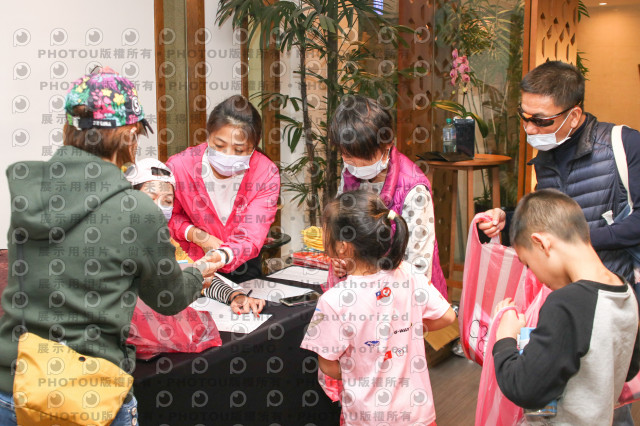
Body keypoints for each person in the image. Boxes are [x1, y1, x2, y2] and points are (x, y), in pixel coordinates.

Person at [0, 68, 223, 425]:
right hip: (85, 394)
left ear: (69, 129)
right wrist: (198, 273)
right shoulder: (136, 210)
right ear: (129, 136)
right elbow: (167, 298)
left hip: (13, 384)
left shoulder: (31, 191)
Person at [301, 190, 456, 425]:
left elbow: (328, 366)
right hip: (417, 412)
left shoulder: (333, 301)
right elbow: (447, 317)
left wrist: (360, 372)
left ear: (342, 247)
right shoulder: (408, 273)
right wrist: (407, 329)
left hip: (368, 417)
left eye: (325, 230)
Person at [480, 60, 640, 287]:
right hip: (567, 290)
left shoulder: (624, 144)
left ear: (574, 115)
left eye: (540, 120)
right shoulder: (546, 155)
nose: (530, 128)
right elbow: (551, 218)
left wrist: (576, 241)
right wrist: (509, 220)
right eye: (524, 116)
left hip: (616, 287)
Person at [493, 189, 640, 425]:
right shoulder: (626, 293)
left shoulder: (566, 304)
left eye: (528, 263)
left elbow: (524, 388)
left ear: (541, 243)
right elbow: (629, 368)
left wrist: (505, 338)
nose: (536, 277)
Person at [326, 95, 447, 299]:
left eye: (363, 158)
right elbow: (341, 230)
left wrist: (376, 289)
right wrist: (342, 260)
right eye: (347, 156)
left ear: (387, 145)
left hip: (403, 299)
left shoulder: (414, 189)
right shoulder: (349, 172)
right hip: (363, 295)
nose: (355, 165)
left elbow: (418, 267)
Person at [125, 158, 265, 315]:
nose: (159, 207)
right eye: (150, 198)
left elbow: (193, 275)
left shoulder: (164, 242)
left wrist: (234, 295)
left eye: (167, 201)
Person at [167, 95, 280, 283]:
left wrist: (223, 254)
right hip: (194, 262)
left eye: (239, 150)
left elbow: (253, 232)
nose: (227, 155)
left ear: (254, 145)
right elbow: (168, 215)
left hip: (244, 263)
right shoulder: (181, 167)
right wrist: (197, 235)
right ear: (208, 135)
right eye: (219, 145)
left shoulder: (265, 173)